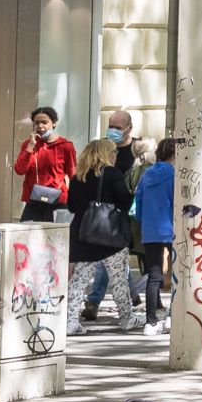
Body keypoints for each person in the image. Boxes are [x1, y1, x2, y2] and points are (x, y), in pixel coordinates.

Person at [66, 135, 143, 334]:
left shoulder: (77, 177)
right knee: (118, 279)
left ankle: (70, 321)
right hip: (110, 237)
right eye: (113, 152)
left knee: (78, 281)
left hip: (82, 235)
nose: (116, 155)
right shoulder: (111, 174)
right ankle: (127, 317)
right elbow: (125, 202)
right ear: (104, 154)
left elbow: (72, 207)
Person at [131, 136, 176, 324]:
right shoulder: (176, 174)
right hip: (173, 228)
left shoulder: (147, 174)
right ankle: (176, 314)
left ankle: (151, 320)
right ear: (175, 154)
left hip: (150, 230)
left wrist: (146, 222)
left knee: (154, 275)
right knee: (179, 274)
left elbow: (137, 205)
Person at [12, 103, 70, 224]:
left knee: (57, 239)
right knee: (26, 236)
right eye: (37, 123)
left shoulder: (65, 146)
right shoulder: (28, 144)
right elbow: (19, 170)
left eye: (44, 122)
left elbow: (73, 174)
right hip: (34, 200)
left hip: (57, 200)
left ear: (53, 123)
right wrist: (31, 147)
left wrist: (75, 200)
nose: (40, 126)